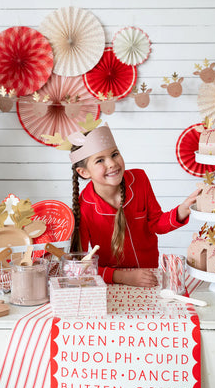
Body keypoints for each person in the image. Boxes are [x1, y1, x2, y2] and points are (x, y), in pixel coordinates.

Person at [68, 122, 199, 288]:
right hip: (110, 284)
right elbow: (80, 266)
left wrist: (181, 211)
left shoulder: (139, 180)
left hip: (149, 277)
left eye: (114, 154)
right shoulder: (83, 208)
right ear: (84, 172)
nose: (112, 163)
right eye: (100, 160)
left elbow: (156, 224)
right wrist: (122, 277)